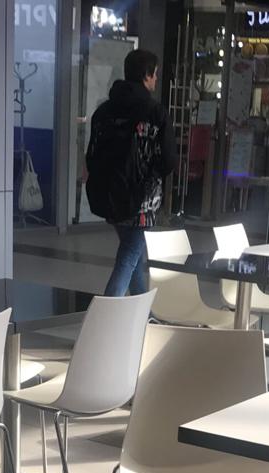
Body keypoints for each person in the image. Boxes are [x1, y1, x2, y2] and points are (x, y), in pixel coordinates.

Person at [85, 49, 177, 297]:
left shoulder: (104, 111)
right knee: (129, 256)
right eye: (155, 74)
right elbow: (168, 159)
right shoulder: (155, 112)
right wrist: (152, 175)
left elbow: (91, 154)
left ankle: (141, 311)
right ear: (146, 75)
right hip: (142, 200)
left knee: (133, 253)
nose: (156, 79)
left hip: (109, 196)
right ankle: (108, 314)